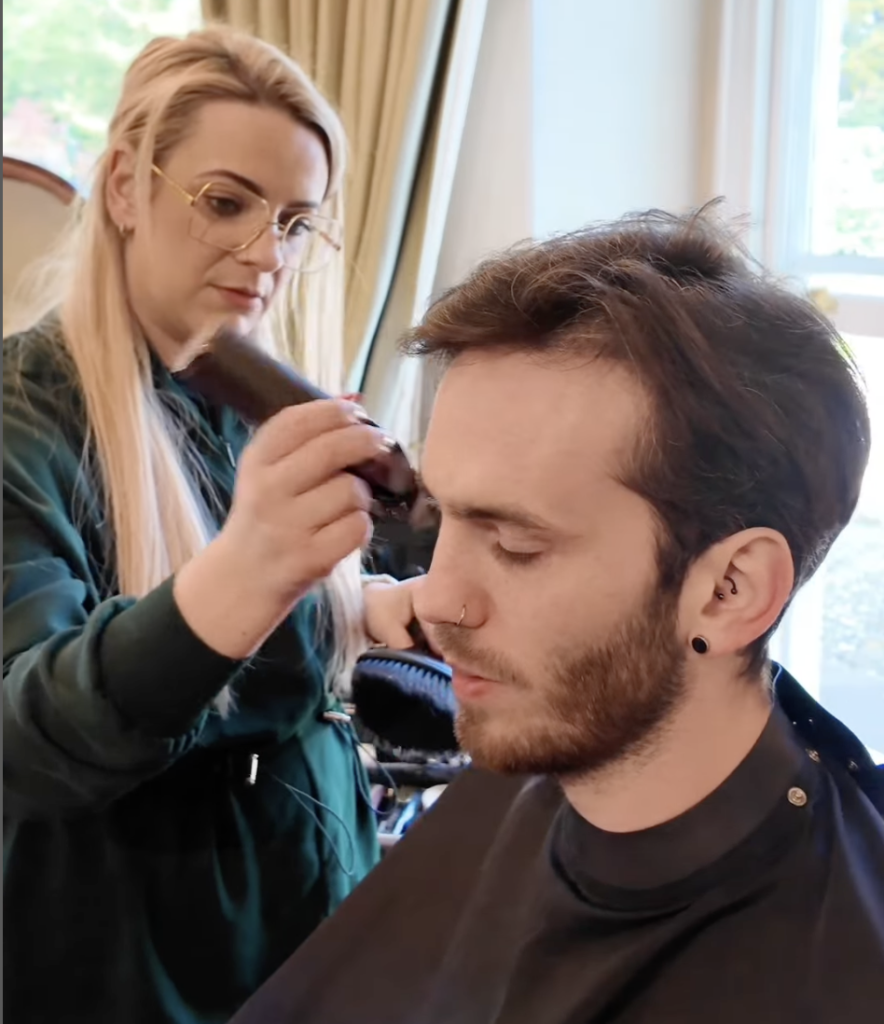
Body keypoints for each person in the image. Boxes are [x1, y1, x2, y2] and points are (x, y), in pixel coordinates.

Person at [227, 207, 884, 1024]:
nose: (434, 597)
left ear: (729, 590)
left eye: (516, 545)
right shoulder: (539, 756)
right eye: (443, 517)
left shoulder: (838, 974)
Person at [3, 26, 419, 1024]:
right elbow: (24, 737)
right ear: (124, 188)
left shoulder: (255, 397)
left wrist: (362, 609)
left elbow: (267, 651)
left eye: (295, 223)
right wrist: (251, 569)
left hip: (316, 889)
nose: (266, 254)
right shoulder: (24, 417)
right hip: (134, 943)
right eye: (226, 203)